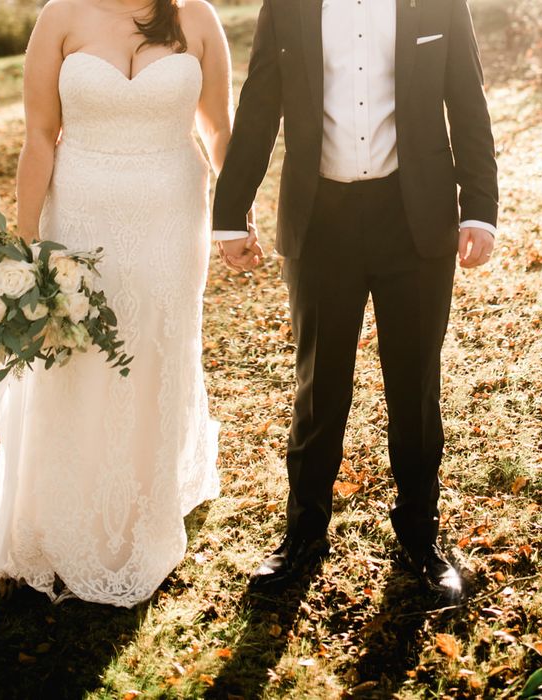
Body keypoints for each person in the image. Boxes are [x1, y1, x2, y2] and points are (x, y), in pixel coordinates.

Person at [0, 0, 255, 607]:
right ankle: (61, 512)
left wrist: (234, 216)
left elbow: (217, 127)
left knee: (155, 349)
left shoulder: (198, 17)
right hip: (79, 218)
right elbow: (39, 134)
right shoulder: (61, 16)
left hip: (170, 214)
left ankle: (143, 510)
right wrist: (25, 249)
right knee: (77, 357)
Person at [213, 0, 499, 600]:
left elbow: (467, 100)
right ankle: (302, 537)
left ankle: (421, 537)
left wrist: (479, 208)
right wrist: (230, 213)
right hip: (321, 221)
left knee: (414, 384)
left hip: (414, 218)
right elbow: (261, 102)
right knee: (319, 384)